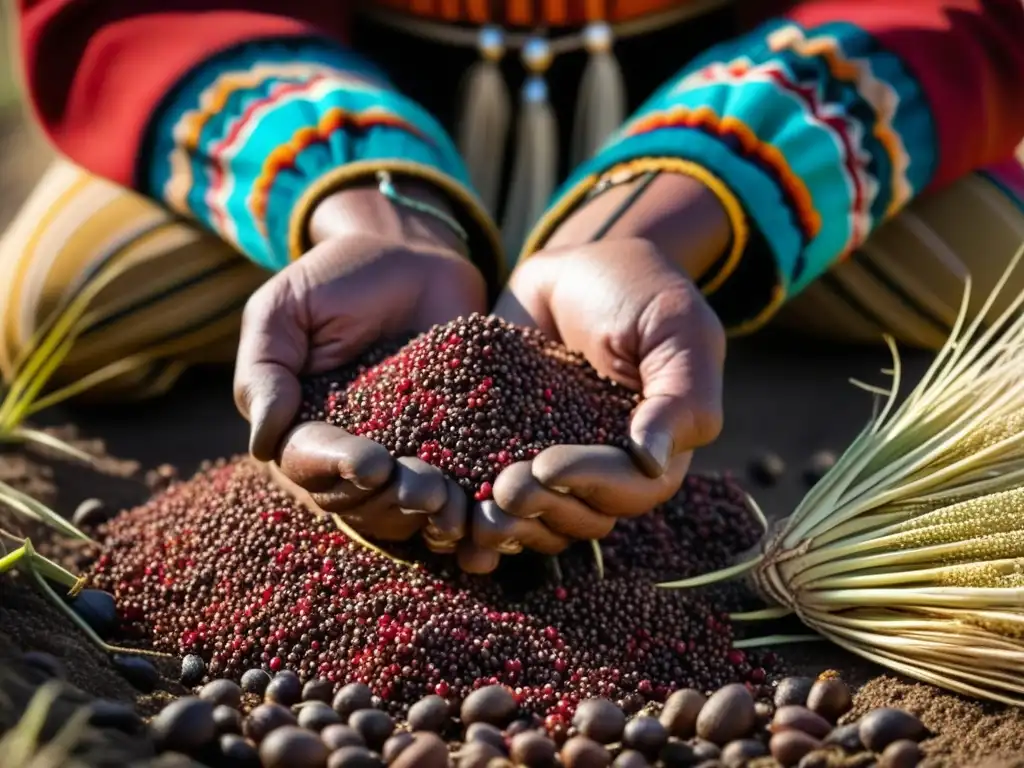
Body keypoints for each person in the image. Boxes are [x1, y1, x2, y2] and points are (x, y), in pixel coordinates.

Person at [4, 0, 1023, 572]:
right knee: (63, 296)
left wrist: (647, 223)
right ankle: (417, 242)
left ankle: (673, 263)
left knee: (1002, 261)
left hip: (755, 84)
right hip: (341, 76)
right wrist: (367, 204)